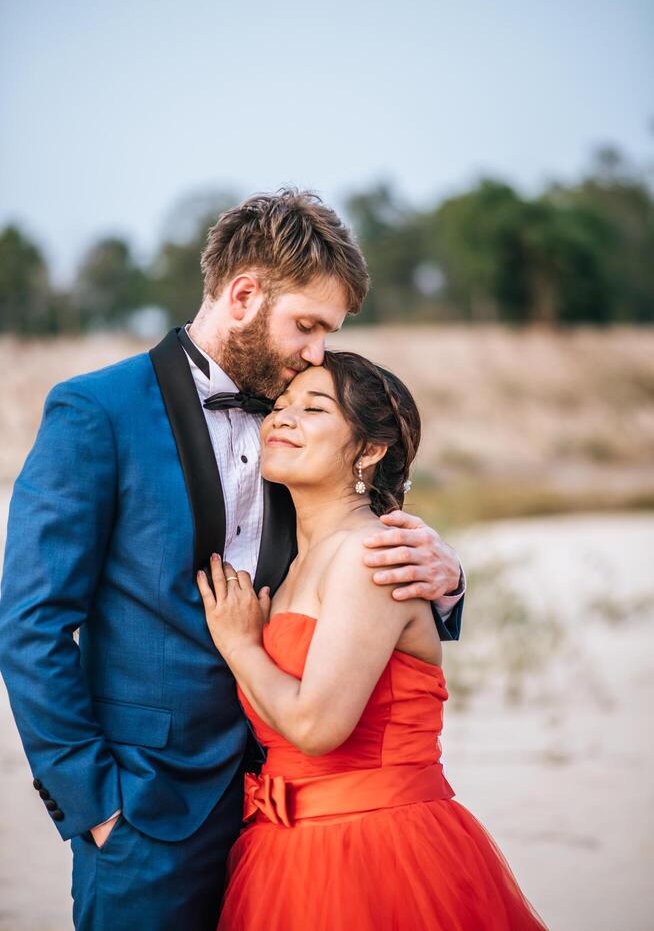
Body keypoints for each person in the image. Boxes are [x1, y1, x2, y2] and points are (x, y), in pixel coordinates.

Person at [0, 189, 465, 931]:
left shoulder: (298, 418)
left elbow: (347, 551)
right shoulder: (97, 412)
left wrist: (447, 576)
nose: (317, 352)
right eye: (307, 326)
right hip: (146, 812)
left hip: (290, 808)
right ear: (245, 294)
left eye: (328, 333)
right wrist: (94, 806)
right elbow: (30, 626)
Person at [198, 351, 547, 931]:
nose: (282, 418)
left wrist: (240, 646)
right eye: (280, 406)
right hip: (282, 849)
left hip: (375, 848)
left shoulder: (372, 554)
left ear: (369, 449)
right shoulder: (289, 566)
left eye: (313, 409)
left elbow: (317, 728)